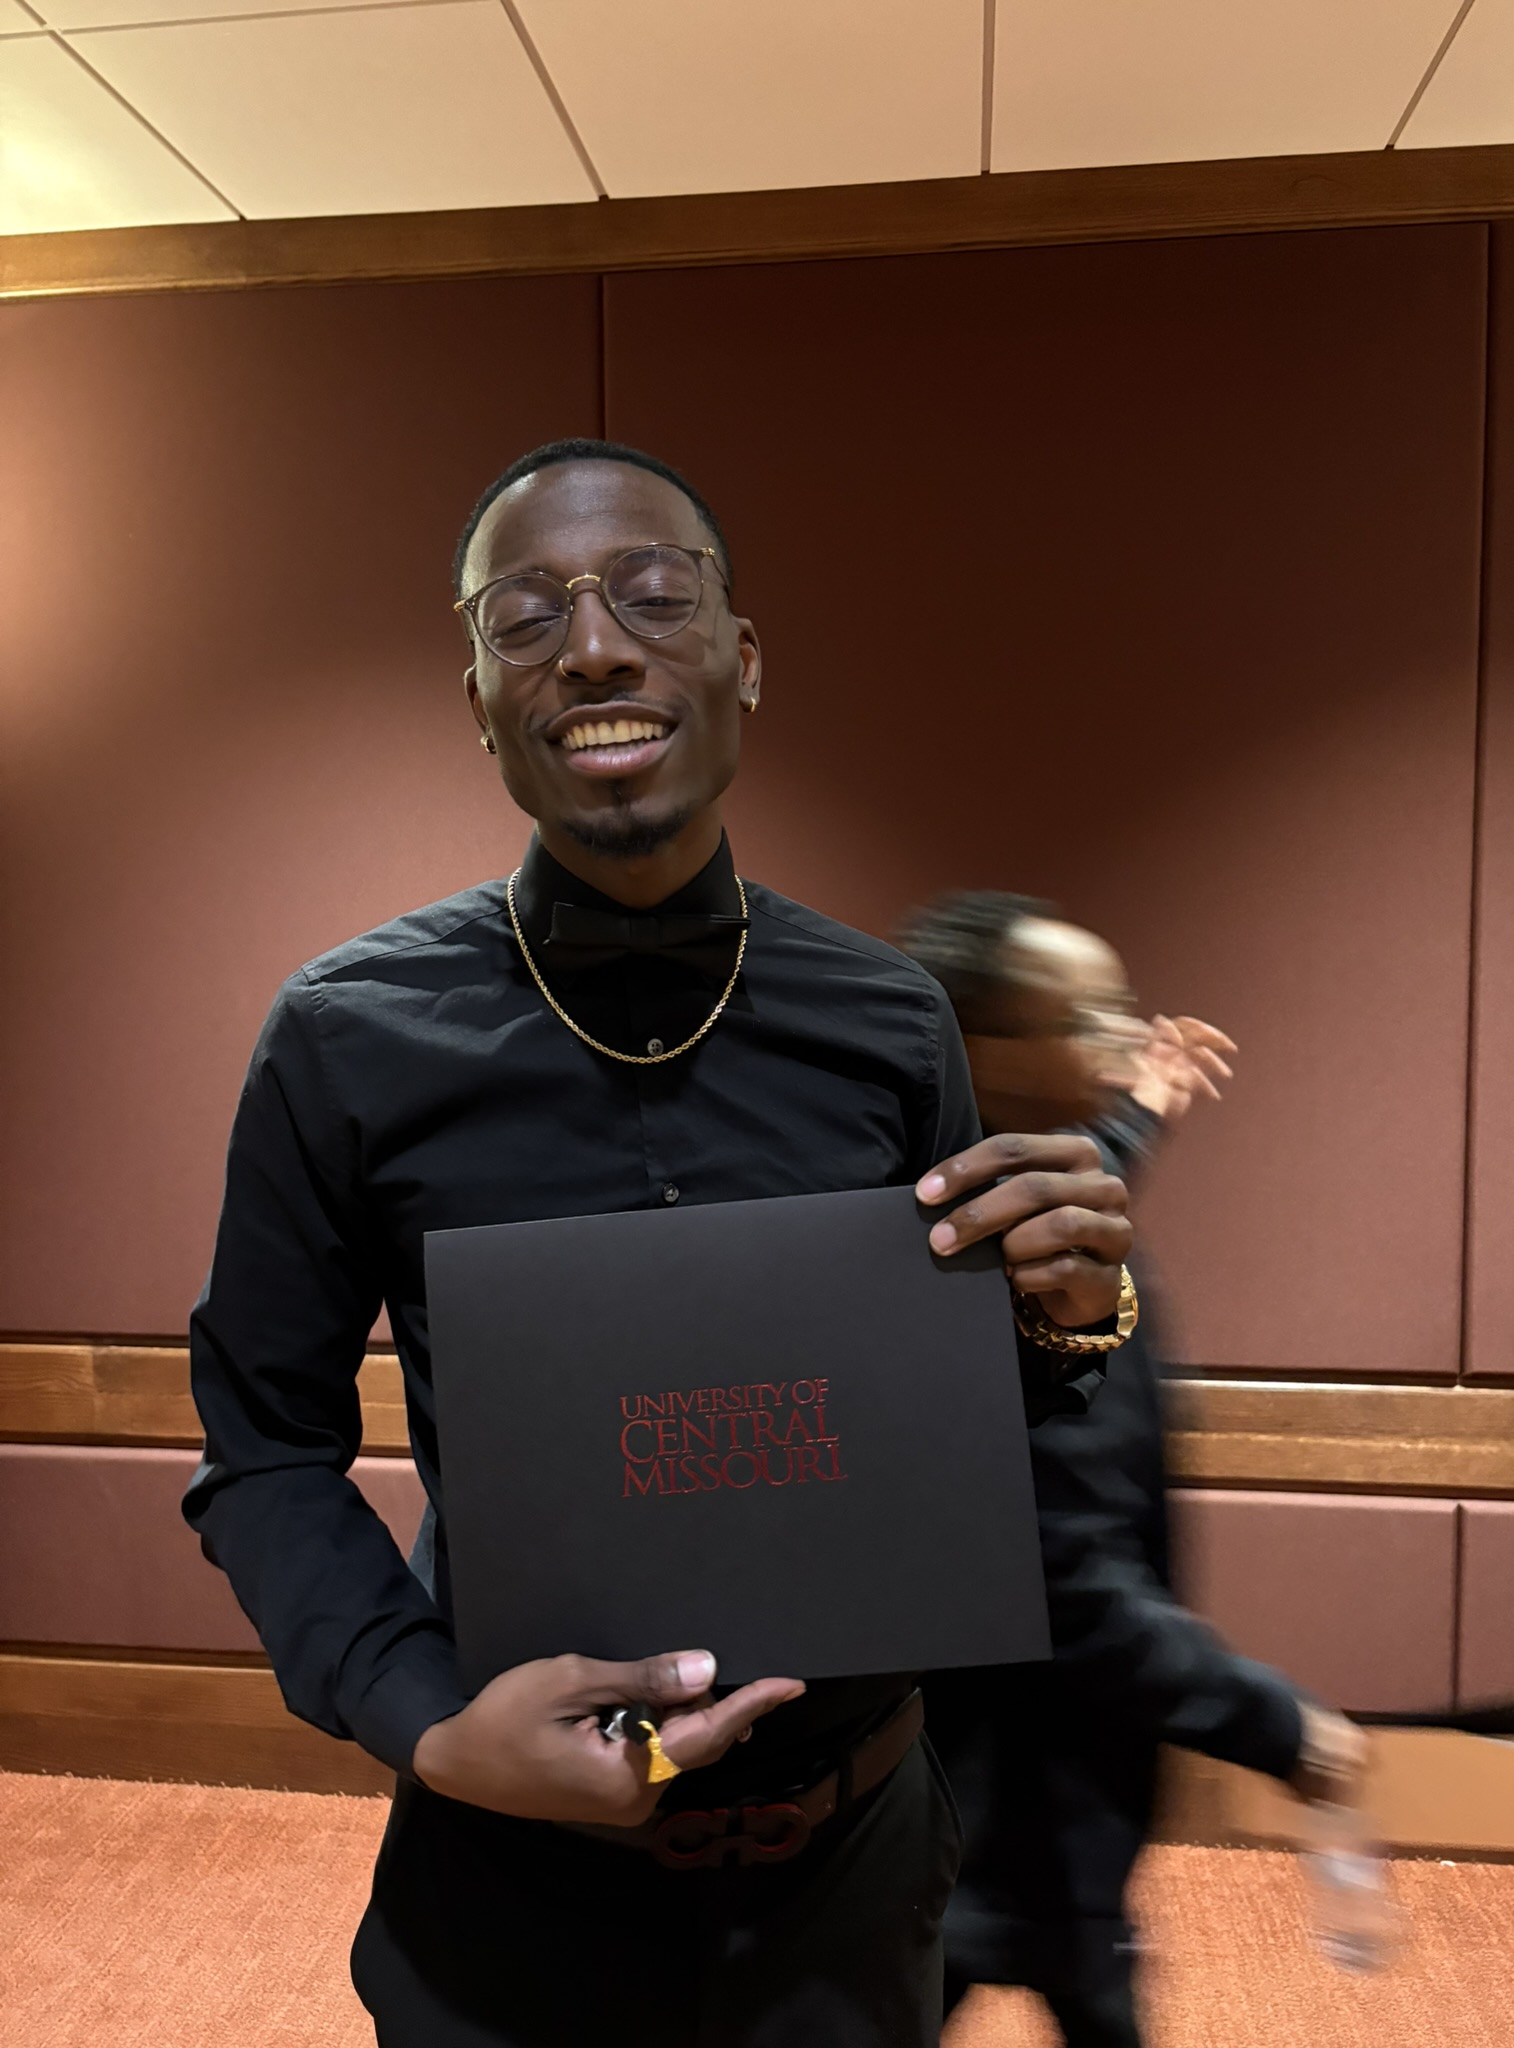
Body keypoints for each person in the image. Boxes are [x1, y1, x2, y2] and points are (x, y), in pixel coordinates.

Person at [183, 443, 1141, 2048]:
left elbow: (944, 1421)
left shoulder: (892, 1023)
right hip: (509, 1894)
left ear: (743, 660)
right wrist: (427, 1723)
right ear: (481, 703)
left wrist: (1064, 1313)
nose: (593, 647)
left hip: (851, 1882)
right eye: (524, 617)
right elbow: (263, 1449)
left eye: (651, 594)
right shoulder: (344, 1039)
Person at [896, 891, 1366, 2048]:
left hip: (1002, 1788)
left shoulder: (983, 1193)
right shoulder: (1010, 1286)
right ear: (986, 1051)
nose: (1124, 1030)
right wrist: (1280, 1725)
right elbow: (1069, 1578)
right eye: (1087, 1015)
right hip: (1001, 1790)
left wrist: (1143, 1106)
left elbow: (1075, 1174)